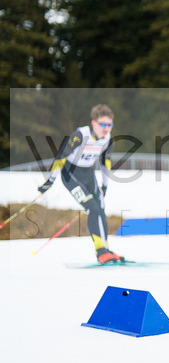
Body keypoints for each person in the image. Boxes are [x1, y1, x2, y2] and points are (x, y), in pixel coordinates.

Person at [37, 104, 126, 264]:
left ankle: (106, 249)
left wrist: (105, 185)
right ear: (93, 123)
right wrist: (50, 180)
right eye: (103, 124)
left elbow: (105, 163)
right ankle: (100, 252)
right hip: (70, 174)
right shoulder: (80, 135)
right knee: (92, 207)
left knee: (100, 207)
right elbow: (61, 157)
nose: (106, 128)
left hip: (88, 174)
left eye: (110, 125)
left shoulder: (107, 140)